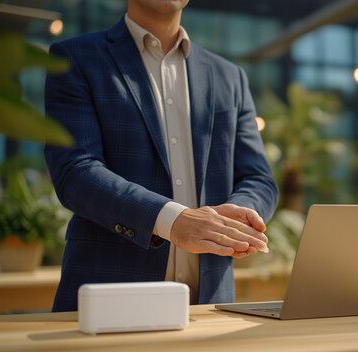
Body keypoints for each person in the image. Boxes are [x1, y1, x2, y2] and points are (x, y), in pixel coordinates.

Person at [44, 0, 278, 311]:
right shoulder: (75, 59)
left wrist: (236, 215)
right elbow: (75, 171)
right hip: (109, 302)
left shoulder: (229, 77)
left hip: (209, 309)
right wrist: (172, 220)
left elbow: (259, 178)